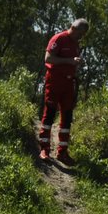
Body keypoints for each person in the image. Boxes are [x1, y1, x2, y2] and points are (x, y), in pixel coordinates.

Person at [36, 17, 87, 164]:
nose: (81, 37)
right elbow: (48, 58)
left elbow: (71, 61)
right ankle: (44, 149)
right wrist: (69, 61)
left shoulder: (76, 44)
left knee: (67, 117)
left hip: (68, 83)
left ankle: (62, 153)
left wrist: (76, 63)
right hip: (54, 80)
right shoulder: (59, 38)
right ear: (74, 28)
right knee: (50, 113)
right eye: (81, 33)